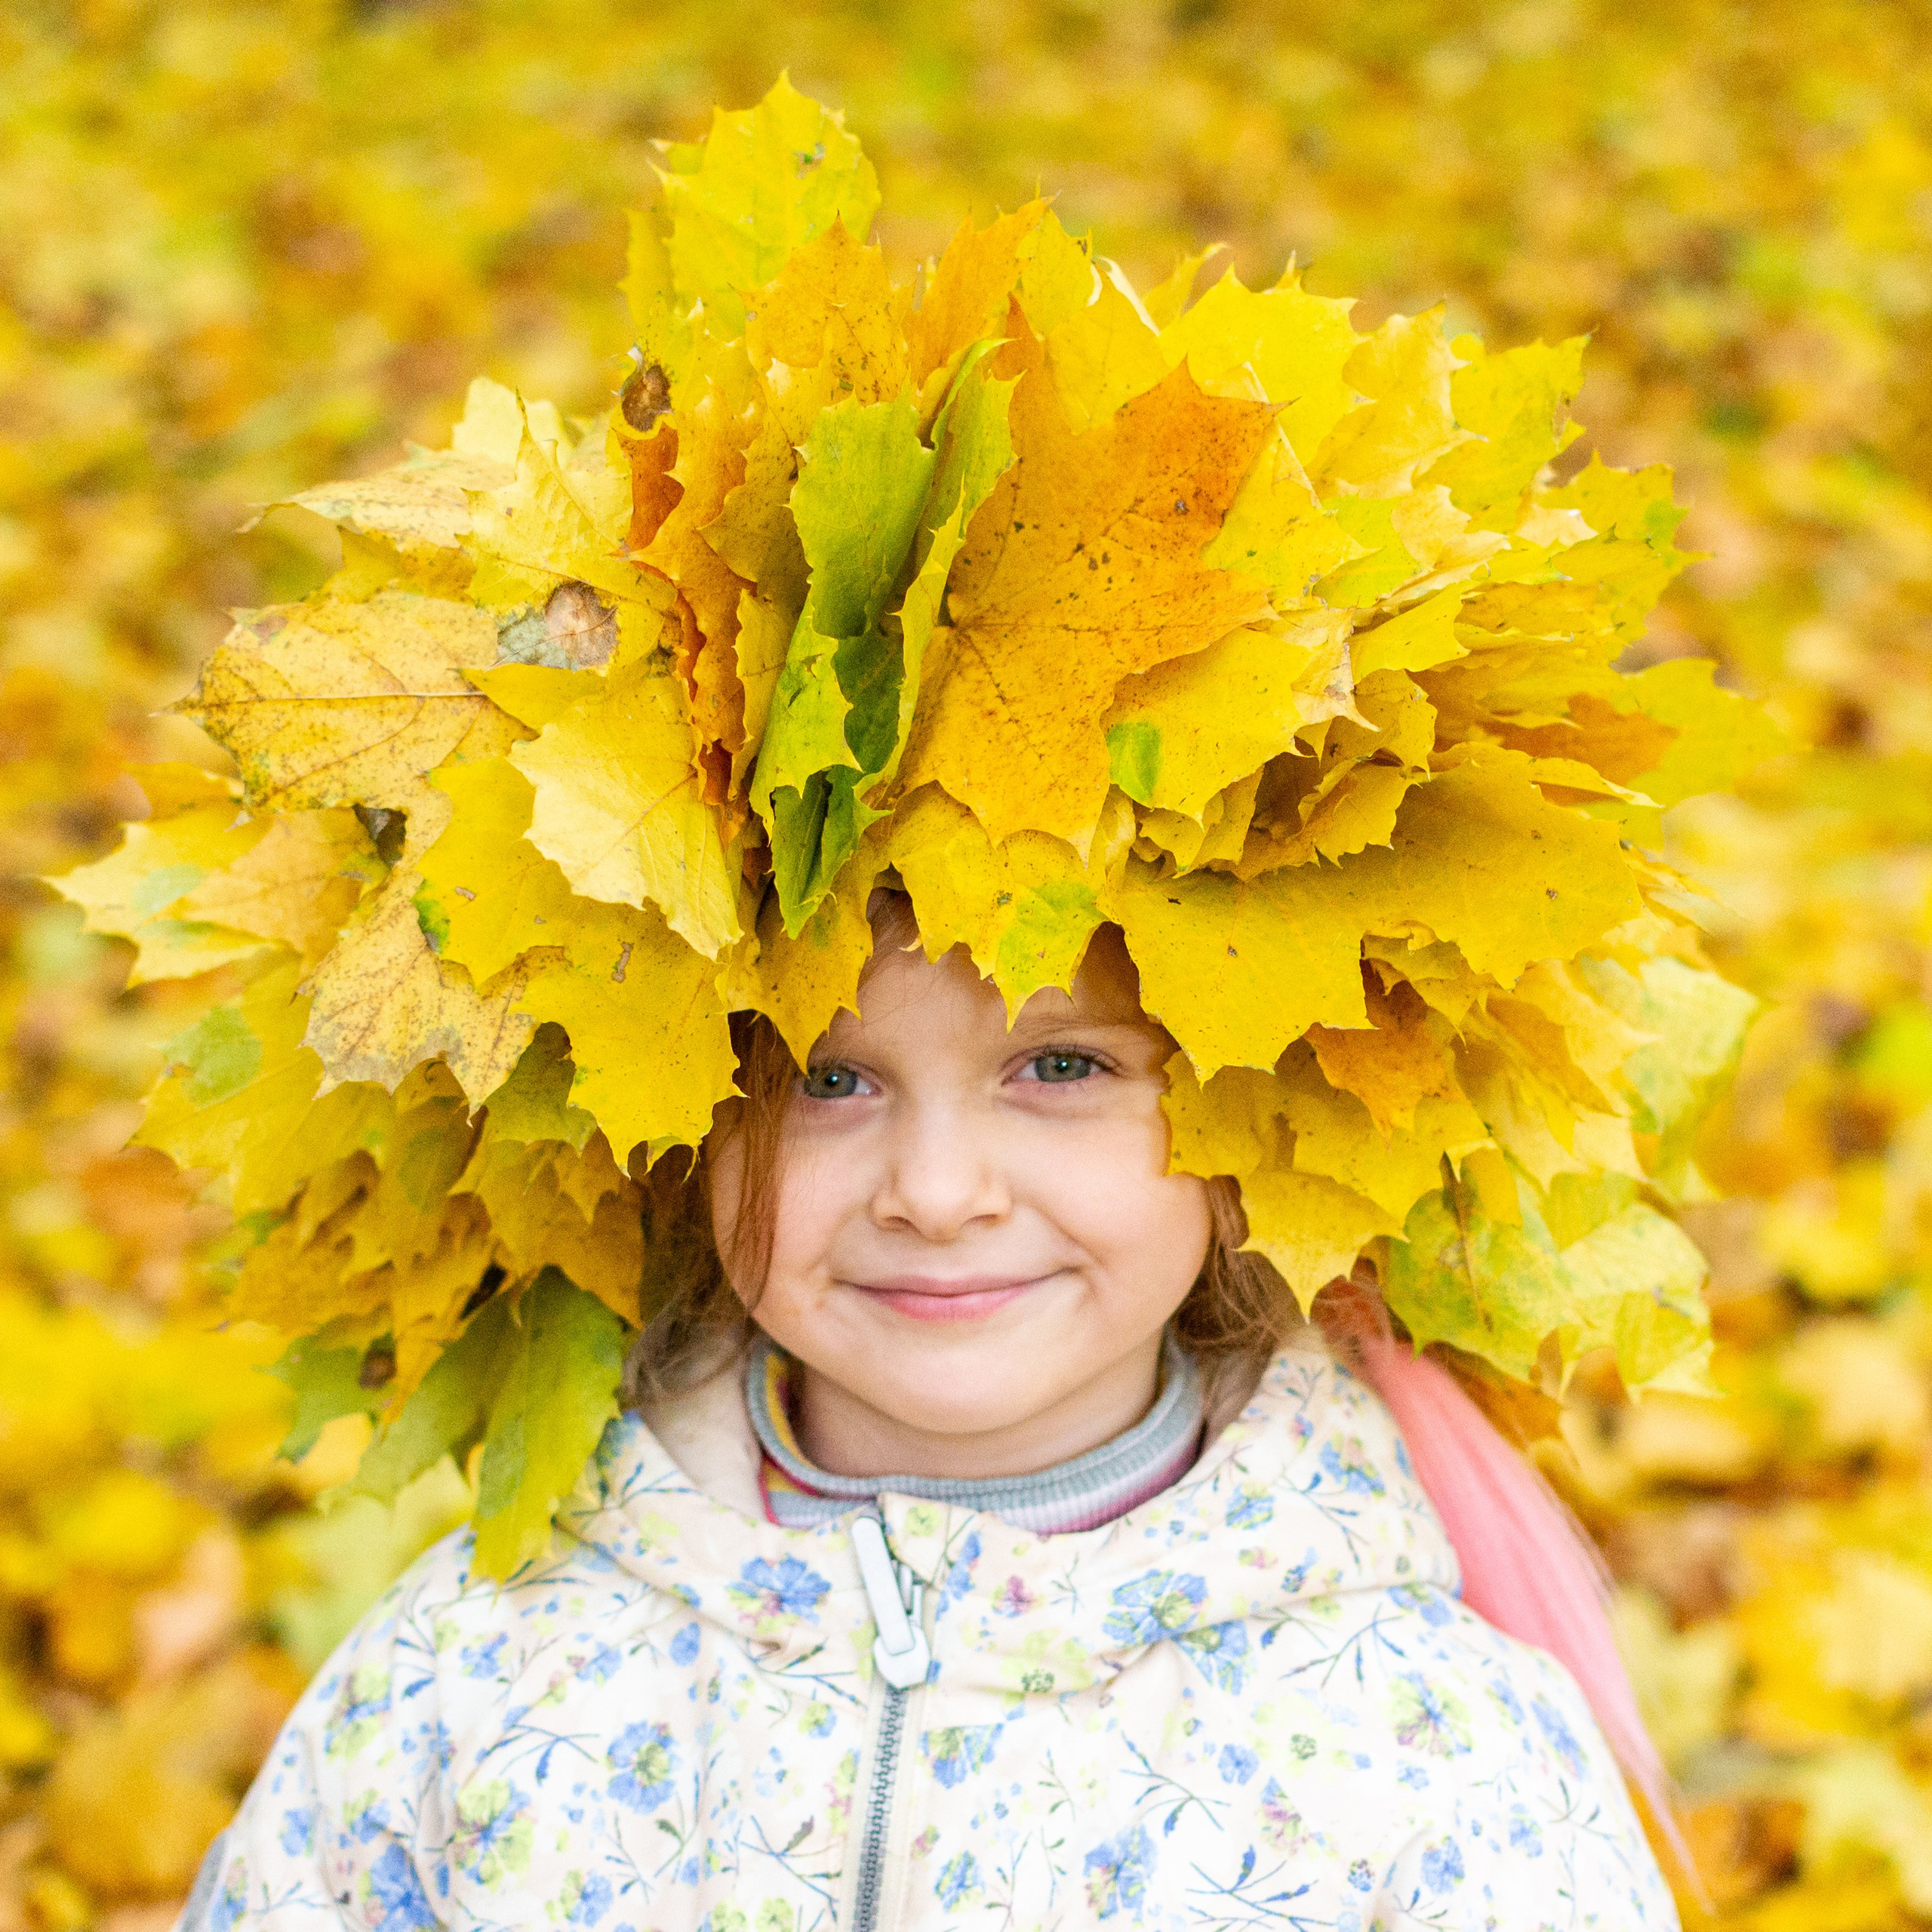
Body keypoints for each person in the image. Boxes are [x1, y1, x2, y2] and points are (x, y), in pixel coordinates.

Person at [184, 894, 1680, 1930]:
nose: (938, 1190)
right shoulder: (479, 1667)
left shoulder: (1424, 1736)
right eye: (827, 1077)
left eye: (1060, 1063)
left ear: (1265, 1119)